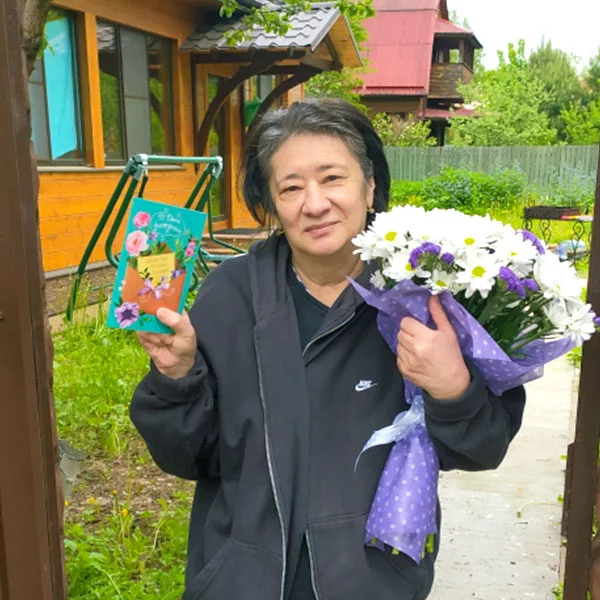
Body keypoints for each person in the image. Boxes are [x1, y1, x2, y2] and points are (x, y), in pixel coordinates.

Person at [130, 99, 526, 600]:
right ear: (272, 205)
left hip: (371, 584)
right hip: (242, 582)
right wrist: (177, 379)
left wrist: (454, 390)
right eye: (291, 188)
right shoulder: (229, 297)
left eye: (332, 178)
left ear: (370, 186)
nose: (314, 204)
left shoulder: (425, 298)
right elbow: (187, 457)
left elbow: (483, 448)